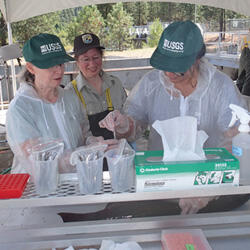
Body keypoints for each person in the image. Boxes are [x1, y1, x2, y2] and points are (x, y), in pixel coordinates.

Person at [98, 21, 249, 216]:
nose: (169, 74)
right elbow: (134, 124)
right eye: (165, 66)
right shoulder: (152, 83)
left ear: (197, 59)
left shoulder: (221, 88)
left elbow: (238, 139)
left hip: (211, 186)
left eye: (178, 68)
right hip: (160, 184)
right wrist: (124, 124)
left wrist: (209, 188)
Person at [2, 33, 117, 226]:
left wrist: (95, 144)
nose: (58, 70)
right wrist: (82, 154)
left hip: (75, 188)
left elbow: (84, 134)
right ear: (30, 67)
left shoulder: (69, 97)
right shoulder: (21, 108)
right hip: (37, 197)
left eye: (61, 64)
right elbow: (39, 164)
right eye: (49, 66)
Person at [65, 33, 127, 140]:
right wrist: (92, 143)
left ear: (102, 57)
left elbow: (129, 116)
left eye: (95, 57)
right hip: (91, 154)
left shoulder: (115, 83)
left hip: (120, 149)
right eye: (86, 59)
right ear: (77, 61)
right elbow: (72, 133)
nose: (92, 64)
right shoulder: (70, 93)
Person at [237, 28, 250, 96]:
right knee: (249, 78)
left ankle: (237, 94)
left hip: (243, 57)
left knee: (241, 76)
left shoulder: (245, 38)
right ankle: (246, 96)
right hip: (248, 56)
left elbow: (240, 49)